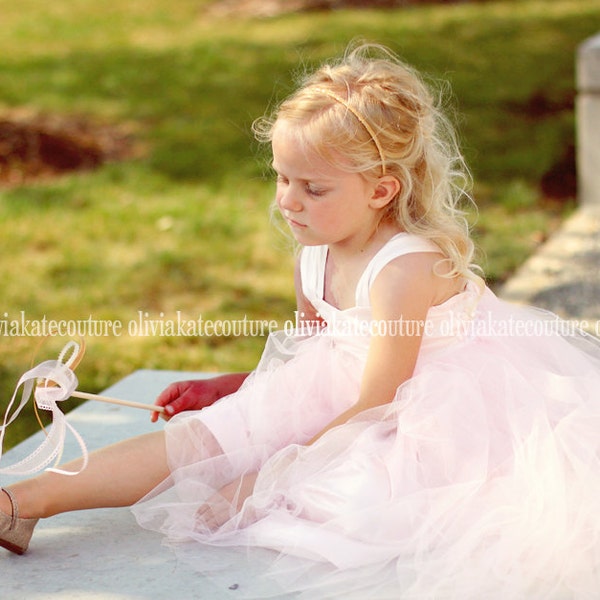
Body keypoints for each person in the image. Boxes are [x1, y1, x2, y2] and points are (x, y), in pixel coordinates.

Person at [1, 43, 600, 599]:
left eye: (312, 188)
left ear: (381, 190)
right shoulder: (315, 249)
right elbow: (311, 354)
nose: (288, 201)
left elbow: (379, 401)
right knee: (211, 437)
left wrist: (269, 477)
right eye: (282, 178)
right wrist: (235, 387)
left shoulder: (405, 269)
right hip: (352, 389)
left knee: (328, 499)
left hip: (424, 409)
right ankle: (23, 500)